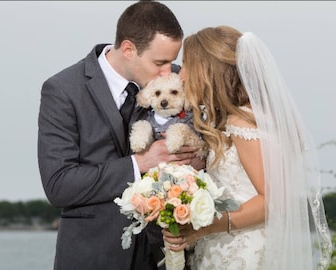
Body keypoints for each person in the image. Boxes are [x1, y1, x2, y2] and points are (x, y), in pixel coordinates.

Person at [37, 1, 203, 270]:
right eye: (160, 62)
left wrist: (196, 162)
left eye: (172, 61)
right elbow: (59, 185)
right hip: (93, 257)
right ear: (128, 49)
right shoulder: (63, 90)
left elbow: (205, 138)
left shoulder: (174, 81)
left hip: (166, 256)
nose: (169, 72)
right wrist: (140, 164)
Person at [162, 25, 332, 269]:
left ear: (208, 71)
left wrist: (206, 226)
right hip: (222, 245)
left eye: (188, 64)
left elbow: (272, 201)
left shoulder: (243, 122)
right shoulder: (232, 119)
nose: (181, 75)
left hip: (243, 250)